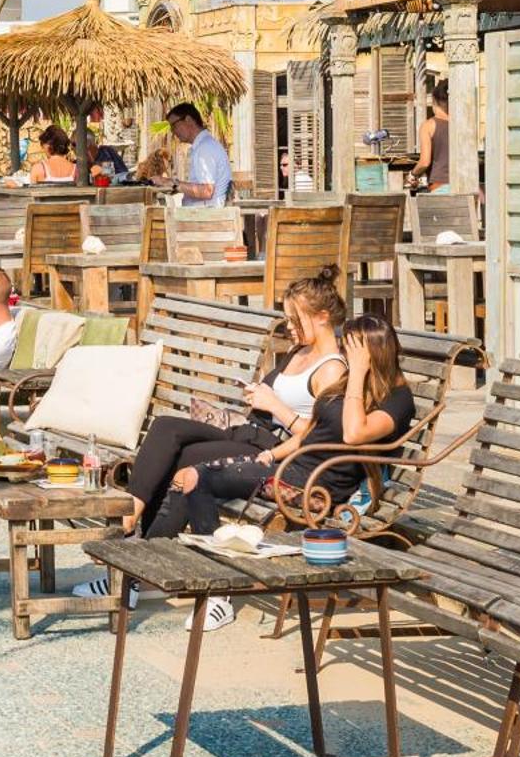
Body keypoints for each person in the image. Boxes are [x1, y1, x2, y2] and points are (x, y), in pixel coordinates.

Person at [73, 269, 348, 607]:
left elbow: (319, 434)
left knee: (185, 460)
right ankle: (132, 532)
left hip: (274, 452)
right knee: (165, 428)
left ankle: (135, 563)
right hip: (249, 432)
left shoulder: (333, 368)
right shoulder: (298, 351)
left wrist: (273, 403)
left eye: (296, 319)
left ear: (322, 318)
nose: (289, 325)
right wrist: (258, 394)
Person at [136, 315, 417, 631]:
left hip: (317, 487)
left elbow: (353, 433)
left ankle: (217, 590)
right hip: (289, 468)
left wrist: (357, 375)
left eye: (351, 348)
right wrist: (271, 453)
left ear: (371, 352)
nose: (344, 353)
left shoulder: (398, 399)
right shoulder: (351, 384)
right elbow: (311, 432)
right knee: (190, 475)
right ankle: (144, 572)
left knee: (198, 477)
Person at [166, 103, 231, 206]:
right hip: (200, 214)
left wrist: (172, 183)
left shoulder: (205, 147)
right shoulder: (204, 145)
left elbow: (207, 191)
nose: (172, 132)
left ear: (188, 120)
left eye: (174, 125)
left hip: (205, 218)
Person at [412, 79, 452, 194]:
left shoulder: (428, 126)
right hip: (466, 187)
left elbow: (424, 162)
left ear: (434, 100)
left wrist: (412, 175)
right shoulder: (463, 124)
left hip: (440, 188)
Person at [7, 125, 77, 186]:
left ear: (47, 145)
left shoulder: (38, 168)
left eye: (42, 144)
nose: (42, 148)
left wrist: (15, 187)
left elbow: (31, 194)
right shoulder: (76, 169)